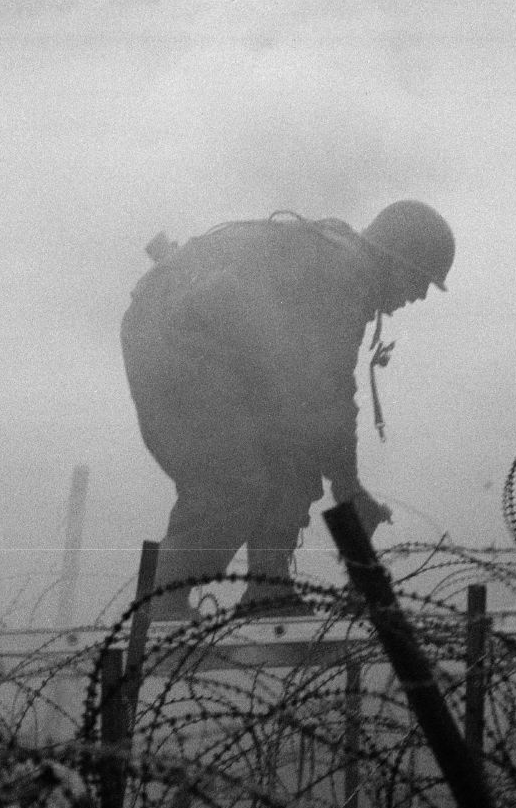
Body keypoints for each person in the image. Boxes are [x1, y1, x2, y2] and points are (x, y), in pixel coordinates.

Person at [120, 200, 455, 621]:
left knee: (291, 446)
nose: (421, 294)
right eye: (421, 278)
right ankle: (160, 601)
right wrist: (348, 484)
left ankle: (268, 590)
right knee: (234, 479)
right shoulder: (344, 275)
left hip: (196, 335)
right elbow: (326, 390)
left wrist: (344, 481)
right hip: (175, 336)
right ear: (394, 259)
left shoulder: (340, 267)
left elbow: (307, 404)